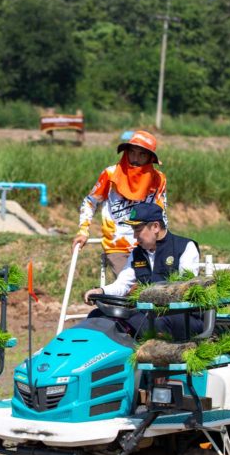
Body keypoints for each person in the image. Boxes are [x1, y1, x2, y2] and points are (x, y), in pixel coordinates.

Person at [83, 202, 200, 340]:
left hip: (180, 316)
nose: (134, 236)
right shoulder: (136, 253)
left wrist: (147, 294)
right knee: (96, 316)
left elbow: (184, 288)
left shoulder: (185, 247)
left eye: (138, 230)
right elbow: (122, 284)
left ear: (155, 227)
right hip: (147, 314)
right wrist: (101, 291)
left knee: (153, 323)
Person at [74, 130, 167, 275]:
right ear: (126, 152)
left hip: (148, 244)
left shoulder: (158, 179)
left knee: (155, 287)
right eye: (132, 152)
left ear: (150, 157)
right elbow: (90, 202)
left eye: (142, 154)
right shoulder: (110, 174)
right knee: (129, 287)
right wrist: (83, 231)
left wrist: (163, 241)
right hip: (118, 244)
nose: (135, 158)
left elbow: (161, 212)